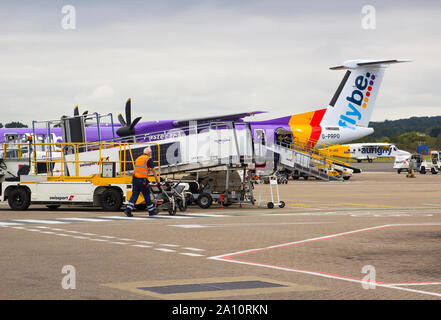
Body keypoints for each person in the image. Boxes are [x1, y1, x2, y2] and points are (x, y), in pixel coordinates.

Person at [124, 147, 160, 217]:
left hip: (135, 179)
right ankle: (151, 211)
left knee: (134, 195)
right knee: (146, 194)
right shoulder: (148, 159)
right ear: (149, 153)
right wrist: (157, 180)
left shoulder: (138, 158)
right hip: (142, 180)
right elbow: (153, 170)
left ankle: (128, 210)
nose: (151, 154)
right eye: (151, 153)